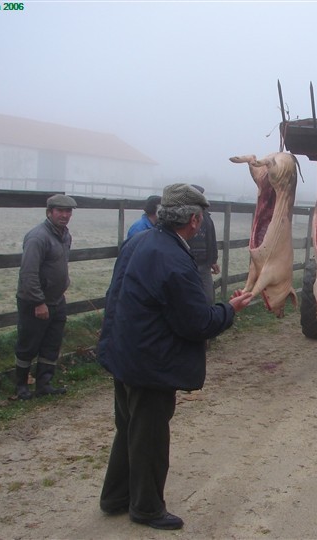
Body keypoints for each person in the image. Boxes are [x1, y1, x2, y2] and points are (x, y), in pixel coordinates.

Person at [97, 183, 252, 531]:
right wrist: (230, 309)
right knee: (149, 436)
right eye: (202, 217)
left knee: (129, 429)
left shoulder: (140, 241)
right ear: (194, 220)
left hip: (125, 353)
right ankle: (147, 508)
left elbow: (116, 294)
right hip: (151, 363)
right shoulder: (173, 259)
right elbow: (196, 323)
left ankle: (115, 497)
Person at [14, 194, 77, 400]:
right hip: (35, 302)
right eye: (60, 211)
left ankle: (44, 384)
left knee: (51, 344)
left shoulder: (65, 235)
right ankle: (21, 386)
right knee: (28, 344)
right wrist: (38, 302)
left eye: (68, 212)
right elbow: (28, 273)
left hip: (57, 300)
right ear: (49, 212)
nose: (65, 215)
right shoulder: (37, 237)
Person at [187, 184, 220, 304]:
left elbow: (211, 237)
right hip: (188, 264)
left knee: (208, 298)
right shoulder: (183, 215)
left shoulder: (206, 215)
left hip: (204, 264)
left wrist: (213, 260)